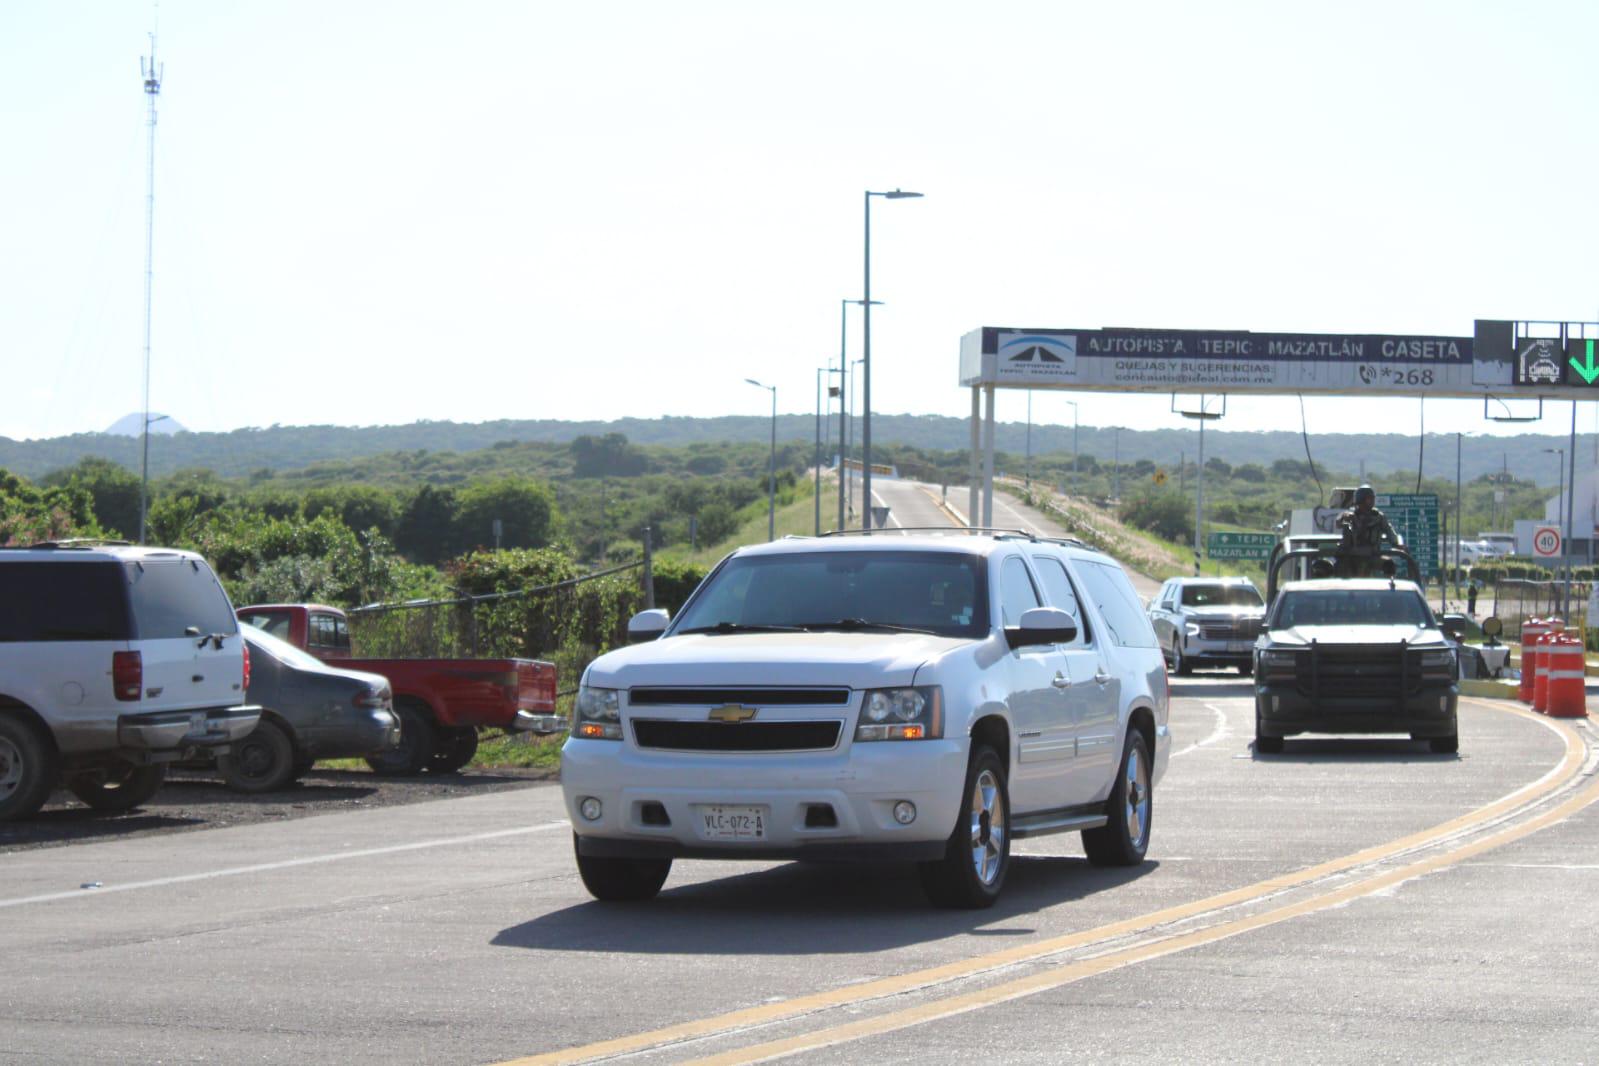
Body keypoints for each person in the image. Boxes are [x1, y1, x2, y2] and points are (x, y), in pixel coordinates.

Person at [1334, 485, 1398, 578]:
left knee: (1389, 564)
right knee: (1340, 568)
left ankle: (1390, 587)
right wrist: (1344, 517)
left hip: (1372, 555)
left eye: (1373, 498)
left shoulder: (1378, 517)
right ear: (1360, 500)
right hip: (1352, 556)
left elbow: (1389, 530)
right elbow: (1338, 523)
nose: (1372, 501)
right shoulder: (1351, 515)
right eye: (1369, 499)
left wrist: (1396, 543)